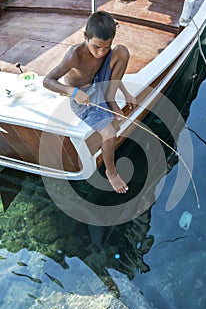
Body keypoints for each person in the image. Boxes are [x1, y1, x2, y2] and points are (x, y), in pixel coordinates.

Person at [43, 10, 136, 193]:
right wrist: (72, 91)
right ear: (85, 36)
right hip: (82, 97)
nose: (100, 53)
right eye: (96, 47)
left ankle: (110, 98)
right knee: (109, 133)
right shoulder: (74, 55)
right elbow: (47, 81)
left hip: (98, 84)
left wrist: (124, 93)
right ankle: (111, 172)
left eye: (106, 47)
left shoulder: (103, 50)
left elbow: (112, 70)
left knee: (122, 51)